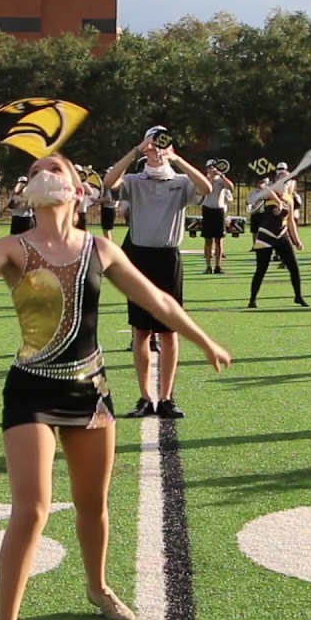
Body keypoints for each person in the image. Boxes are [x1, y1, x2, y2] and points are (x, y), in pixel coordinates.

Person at [0, 153, 230, 620]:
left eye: (61, 171)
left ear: (80, 191)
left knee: (92, 505)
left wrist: (204, 339)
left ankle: (98, 586)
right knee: (31, 510)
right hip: (30, 390)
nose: (50, 175)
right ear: (27, 190)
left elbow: (160, 303)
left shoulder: (99, 249)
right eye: (38, 171)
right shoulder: (13, 247)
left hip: (90, 391)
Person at [103, 126, 211, 419]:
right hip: (139, 258)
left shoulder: (179, 181)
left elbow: (206, 188)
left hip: (168, 257)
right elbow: (109, 182)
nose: (156, 149)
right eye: (153, 142)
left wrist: (177, 159)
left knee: (169, 330)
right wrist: (138, 150)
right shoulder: (135, 181)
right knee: (141, 331)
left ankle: (166, 398)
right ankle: (144, 397)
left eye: (161, 143)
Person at [248, 185, 307, 307]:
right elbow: (265, 187)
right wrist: (279, 202)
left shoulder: (289, 200)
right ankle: (252, 300)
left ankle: (298, 296)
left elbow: (290, 221)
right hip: (266, 235)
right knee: (261, 269)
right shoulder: (270, 195)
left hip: (281, 235)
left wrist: (297, 240)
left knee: (294, 267)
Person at [201, 160, 234, 274]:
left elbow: (231, 187)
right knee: (208, 240)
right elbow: (202, 190)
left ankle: (218, 266)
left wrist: (222, 175)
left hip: (219, 211)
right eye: (210, 167)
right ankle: (208, 266)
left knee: (219, 240)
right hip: (208, 210)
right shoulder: (204, 179)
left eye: (214, 167)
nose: (212, 169)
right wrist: (210, 177)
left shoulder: (221, 180)